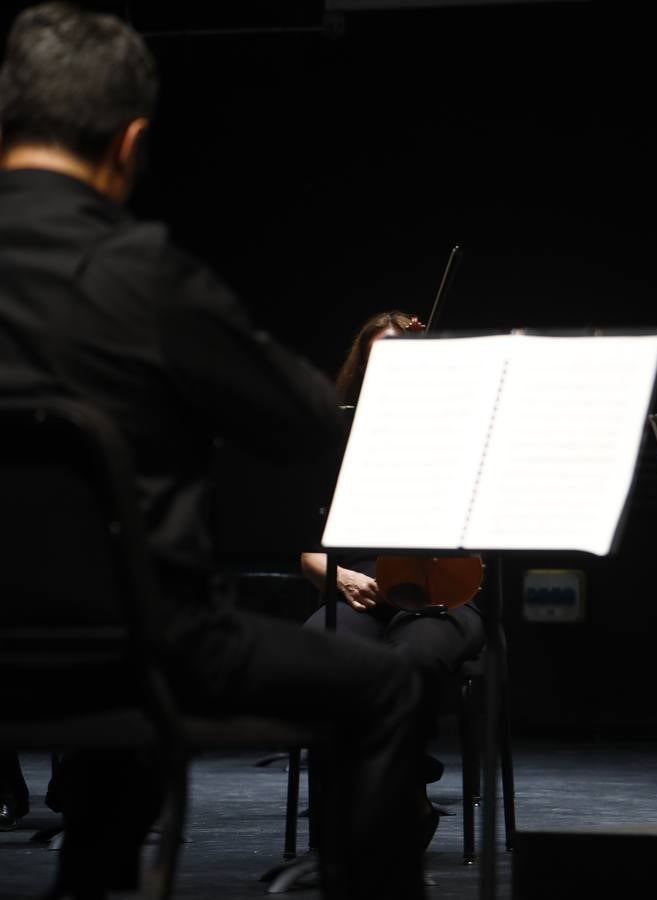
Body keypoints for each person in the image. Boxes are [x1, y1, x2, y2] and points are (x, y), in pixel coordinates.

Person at [0, 5, 428, 897]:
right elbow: (309, 421)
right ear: (129, 143)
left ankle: (95, 875)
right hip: (138, 647)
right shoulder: (143, 276)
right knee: (384, 687)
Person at [299, 311, 486, 797]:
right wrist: (341, 578)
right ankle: (345, 814)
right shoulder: (339, 440)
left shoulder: (465, 437)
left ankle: (396, 788)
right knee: (323, 655)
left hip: (442, 591)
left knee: (414, 656)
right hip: (359, 586)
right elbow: (307, 553)